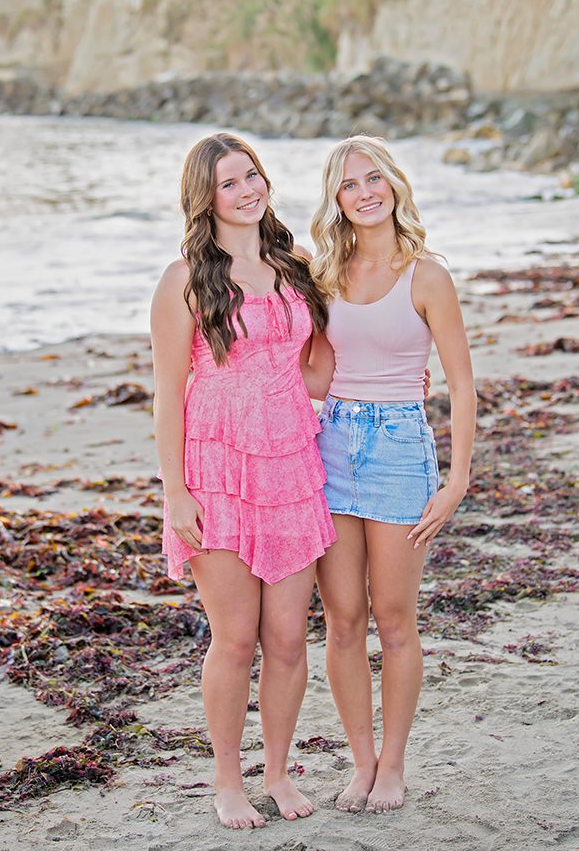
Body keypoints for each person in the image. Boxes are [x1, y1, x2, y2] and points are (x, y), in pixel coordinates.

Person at [150, 132, 336, 830]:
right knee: (233, 637)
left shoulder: (299, 267)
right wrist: (176, 492)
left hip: (291, 465)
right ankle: (228, 781)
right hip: (217, 469)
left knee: (288, 637)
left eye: (251, 174)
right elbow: (170, 392)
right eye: (229, 182)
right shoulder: (184, 280)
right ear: (206, 197)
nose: (247, 189)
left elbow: (314, 372)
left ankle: (279, 773)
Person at [304, 135, 476, 815]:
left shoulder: (426, 274)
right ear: (336, 200)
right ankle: (362, 762)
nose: (365, 191)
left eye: (374, 178)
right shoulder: (324, 274)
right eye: (350, 184)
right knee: (342, 622)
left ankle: (395, 765)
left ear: (395, 185)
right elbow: (317, 373)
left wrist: (456, 479)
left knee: (395, 620)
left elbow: (461, 385)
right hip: (334, 443)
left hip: (402, 447)